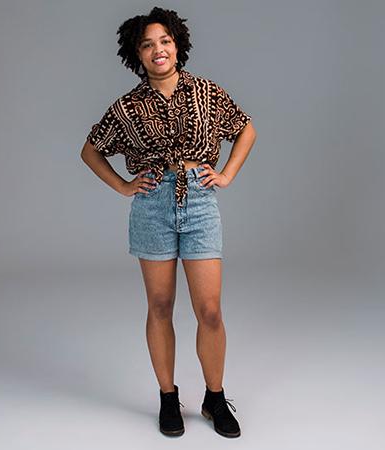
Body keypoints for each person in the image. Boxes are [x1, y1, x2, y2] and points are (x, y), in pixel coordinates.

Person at [80, 6, 256, 438]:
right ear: (137, 55)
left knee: (209, 310)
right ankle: (167, 397)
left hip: (199, 201)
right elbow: (90, 150)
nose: (158, 49)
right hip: (152, 205)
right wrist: (124, 186)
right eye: (147, 44)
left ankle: (215, 398)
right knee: (159, 306)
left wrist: (227, 174)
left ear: (177, 46)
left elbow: (245, 129)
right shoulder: (127, 107)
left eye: (165, 41)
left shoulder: (207, 92)